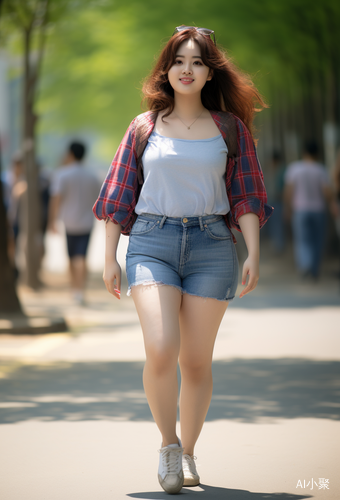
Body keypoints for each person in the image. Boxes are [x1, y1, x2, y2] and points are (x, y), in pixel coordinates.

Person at [93, 25, 273, 494]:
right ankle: (168, 447)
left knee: (195, 361)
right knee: (161, 346)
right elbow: (118, 195)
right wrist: (110, 256)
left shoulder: (228, 129)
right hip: (153, 241)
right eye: (177, 61)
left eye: (196, 61)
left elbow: (247, 193)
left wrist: (253, 251)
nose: (186, 69)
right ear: (166, 69)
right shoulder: (143, 127)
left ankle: (189, 452)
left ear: (210, 72)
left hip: (212, 245)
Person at [49, 141, 100, 304]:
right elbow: (98, 199)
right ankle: (80, 290)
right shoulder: (92, 175)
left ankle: (74, 289)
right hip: (87, 221)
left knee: (71, 257)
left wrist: (52, 221)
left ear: (70, 153)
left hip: (69, 222)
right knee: (82, 256)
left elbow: (56, 199)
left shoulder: (62, 174)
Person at [284, 141, 338, 280]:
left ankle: (305, 265)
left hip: (300, 210)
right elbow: (326, 191)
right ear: (317, 154)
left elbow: (289, 190)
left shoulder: (294, 168)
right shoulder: (321, 169)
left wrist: (287, 208)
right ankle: (314, 269)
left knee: (302, 240)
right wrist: (332, 202)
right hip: (318, 210)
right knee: (317, 240)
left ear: (304, 152)